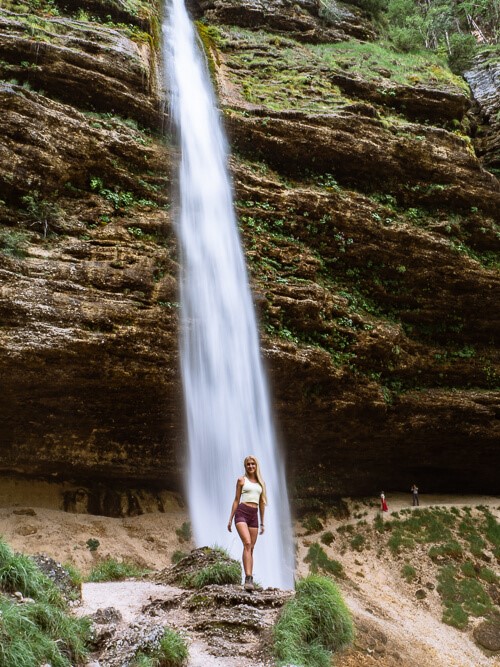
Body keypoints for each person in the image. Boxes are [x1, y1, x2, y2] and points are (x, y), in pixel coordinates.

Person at [227, 455, 266, 591]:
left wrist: (262, 523)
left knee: (252, 548)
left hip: (254, 516)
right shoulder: (241, 480)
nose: (251, 466)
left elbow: (261, 503)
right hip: (242, 513)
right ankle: (248, 578)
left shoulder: (261, 483)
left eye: (253, 464)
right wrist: (230, 518)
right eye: (248, 464)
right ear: (245, 466)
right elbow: (236, 499)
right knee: (247, 544)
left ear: (256, 466)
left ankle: (250, 580)